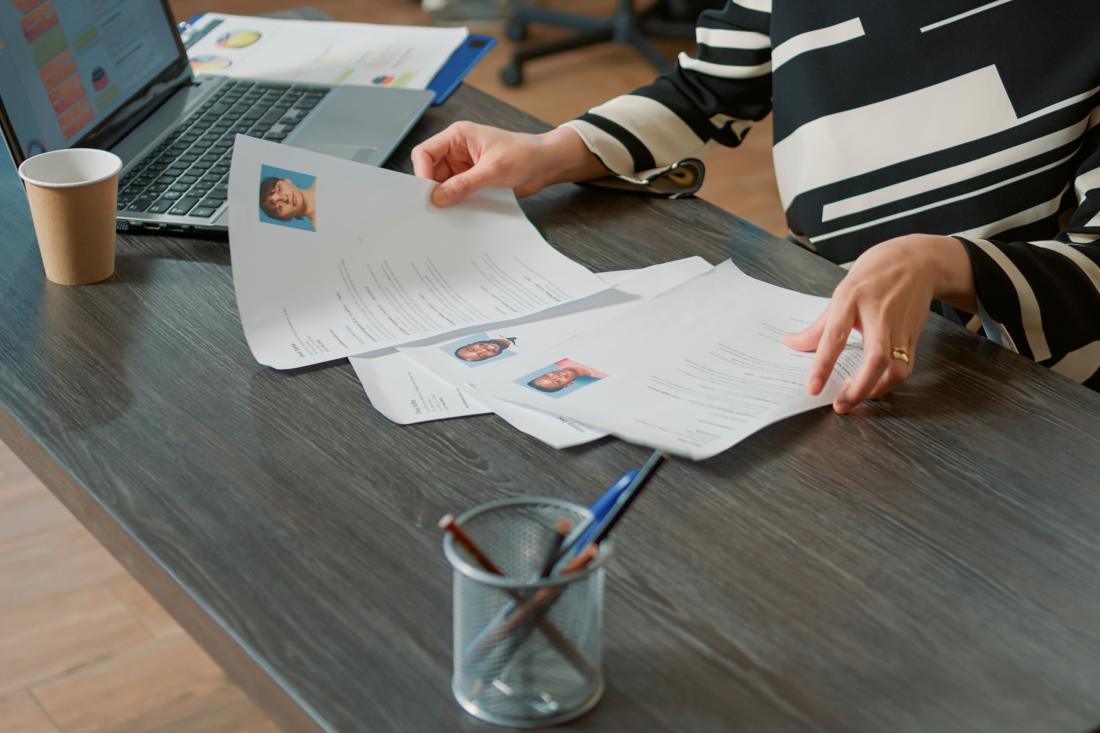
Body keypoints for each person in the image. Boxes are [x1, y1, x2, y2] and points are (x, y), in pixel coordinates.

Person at [412, 1, 1100, 412]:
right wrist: (548, 151)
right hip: (821, 341)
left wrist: (942, 262)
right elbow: (707, 91)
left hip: (1016, 386)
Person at [528, 363, 601, 393]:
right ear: (568, 385)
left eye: (547, 376)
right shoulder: (599, 375)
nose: (557, 376)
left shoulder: (560, 360)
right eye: (557, 381)